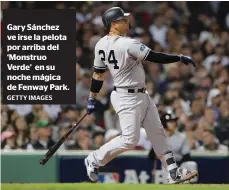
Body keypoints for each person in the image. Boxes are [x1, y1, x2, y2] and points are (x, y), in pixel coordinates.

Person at [84, 7, 198, 184]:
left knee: (158, 133)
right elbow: (155, 57)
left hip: (139, 95)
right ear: (113, 24)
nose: (127, 22)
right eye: (122, 20)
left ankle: (173, 173)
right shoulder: (128, 43)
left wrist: (92, 97)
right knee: (130, 140)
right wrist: (179, 57)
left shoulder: (100, 44)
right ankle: (94, 158)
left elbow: (98, 74)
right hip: (126, 96)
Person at [148, 110, 198, 183]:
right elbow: (151, 156)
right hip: (166, 167)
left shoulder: (181, 137)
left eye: (174, 121)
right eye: (170, 122)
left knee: (192, 164)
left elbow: (187, 157)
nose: (174, 123)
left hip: (180, 164)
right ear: (164, 123)